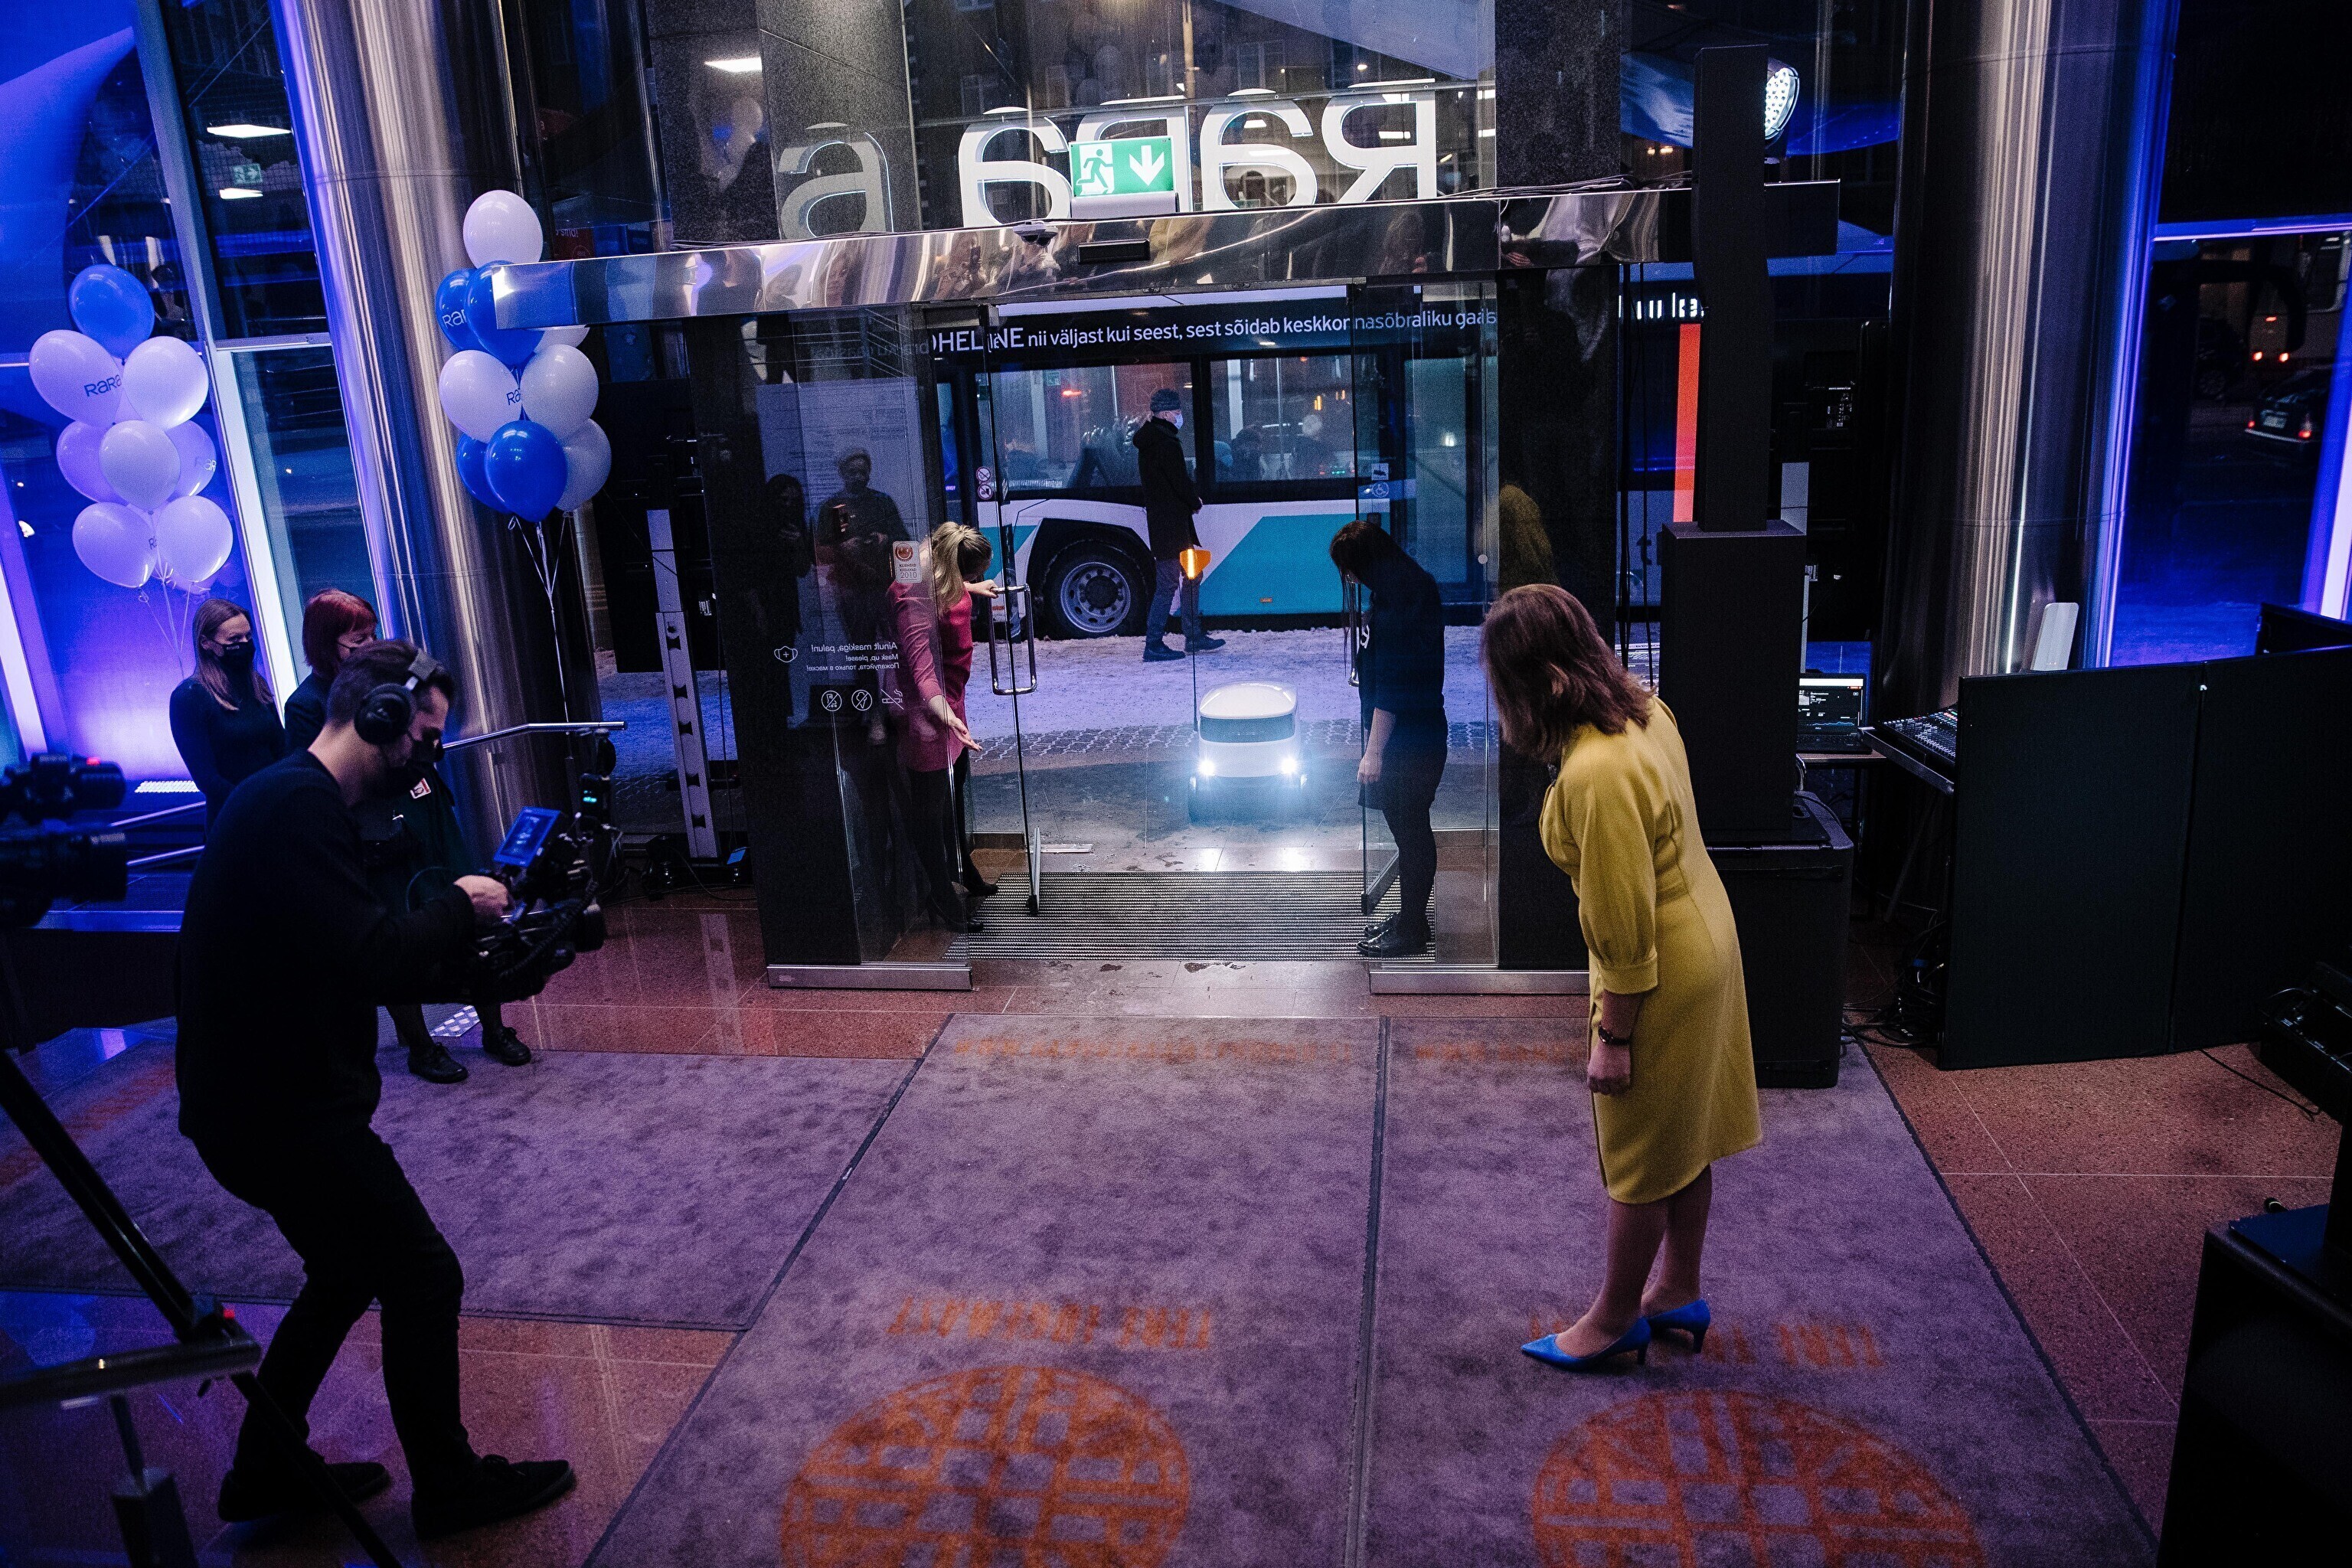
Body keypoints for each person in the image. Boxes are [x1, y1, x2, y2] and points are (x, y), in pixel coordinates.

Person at [176, 639, 576, 1536]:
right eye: (423, 737)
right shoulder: (297, 807)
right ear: (380, 717)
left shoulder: (293, 798)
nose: (427, 756)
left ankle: (263, 1468)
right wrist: (461, 907)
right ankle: (450, 1487)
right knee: (423, 1274)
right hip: (280, 1115)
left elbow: (340, 953)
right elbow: (370, 957)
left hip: (254, 1104)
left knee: (346, 1269)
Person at [1481, 584, 1762, 1372]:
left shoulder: (1595, 775)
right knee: (1684, 1137)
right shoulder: (1644, 710)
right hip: (1707, 934)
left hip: (1661, 965)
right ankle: (1677, 1291)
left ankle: (1612, 1321)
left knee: (1637, 1156)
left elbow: (1626, 931)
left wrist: (1614, 1036)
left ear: (1535, 682)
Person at [284, 591, 531, 1084]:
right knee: (396, 926)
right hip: (378, 835)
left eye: (372, 635)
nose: (368, 645)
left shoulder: (397, 690)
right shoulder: (306, 714)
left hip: (425, 814)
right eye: (357, 640)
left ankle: (494, 1024)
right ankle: (420, 1044)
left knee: (469, 902)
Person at [1330, 520, 1447, 958]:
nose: (1350, 579)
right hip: (1416, 736)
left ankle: (1412, 928)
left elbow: (1395, 687)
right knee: (1410, 831)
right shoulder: (1407, 590)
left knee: (1411, 833)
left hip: (1407, 743)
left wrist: (1373, 752)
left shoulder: (1399, 605)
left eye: (1350, 570)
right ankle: (1410, 917)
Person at [888, 524, 993, 932]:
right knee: (930, 809)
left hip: (952, 698)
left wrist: (972, 588)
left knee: (956, 783)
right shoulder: (913, 594)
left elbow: (947, 590)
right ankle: (941, 894)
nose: (971, 581)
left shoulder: (936, 568)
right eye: (970, 575)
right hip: (929, 710)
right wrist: (945, 715)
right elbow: (921, 670)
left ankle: (959, 866)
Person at [168, 599, 285, 827]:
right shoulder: (189, 697)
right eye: (234, 639)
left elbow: (281, 747)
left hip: (277, 811)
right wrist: (256, 804)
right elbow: (207, 778)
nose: (245, 644)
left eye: (248, 637)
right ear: (206, 643)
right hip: (233, 819)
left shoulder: (257, 684)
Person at [1135, 387, 1223, 662]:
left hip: (1170, 526)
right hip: (1171, 528)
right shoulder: (1166, 444)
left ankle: (1193, 636)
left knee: (1192, 575)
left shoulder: (1152, 441)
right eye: (1176, 411)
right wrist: (1194, 501)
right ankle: (1154, 644)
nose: (1179, 416)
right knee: (1169, 582)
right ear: (1164, 414)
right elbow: (1179, 482)